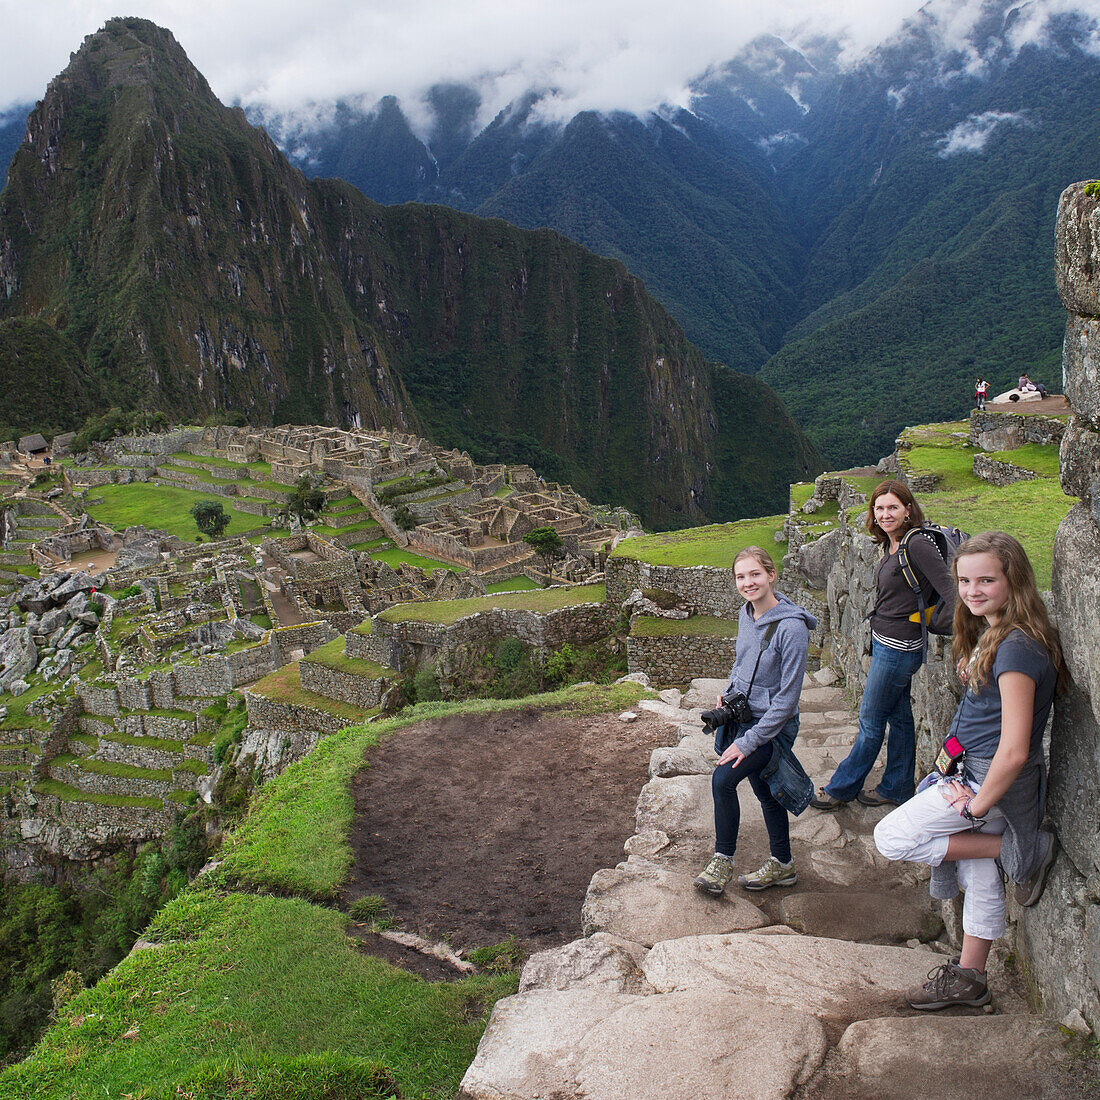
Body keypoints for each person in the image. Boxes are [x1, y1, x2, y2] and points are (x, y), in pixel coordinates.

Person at [874, 532, 1062, 1009]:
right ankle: (971, 977)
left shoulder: (1017, 649)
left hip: (986, 782)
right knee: (976, 872)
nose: (972, 590)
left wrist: (976, 805)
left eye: (986, 580)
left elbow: (1016, 747)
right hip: (973, 772)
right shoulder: (997, 632)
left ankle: (1017, 847)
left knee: (891, 838)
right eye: (963, 580)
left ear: (1014, 580)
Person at [811, 480, 955, 811]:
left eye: (893, 507)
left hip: (899, 649)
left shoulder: (916, 544)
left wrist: (969, 628)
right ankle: (897, 786)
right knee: (900, 717)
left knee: (871, 722)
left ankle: (841, 788)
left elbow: (950, 589)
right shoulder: (893, 545)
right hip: (888, 643)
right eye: (879, 508)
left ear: (908, 509)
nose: (885, 514)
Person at [693, 546, 816, 895]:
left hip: (773, 726)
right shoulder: (745, 614)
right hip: (743, 714)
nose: (748, 583)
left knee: (723, 779)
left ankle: (722, 861)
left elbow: (788, 698)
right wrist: (728, 691)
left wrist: (748, 741)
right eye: (741, 576)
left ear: (771, 575)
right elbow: (741, 661)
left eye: (755, 574)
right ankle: (784, 864)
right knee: (766, 792)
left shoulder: (792, 630)